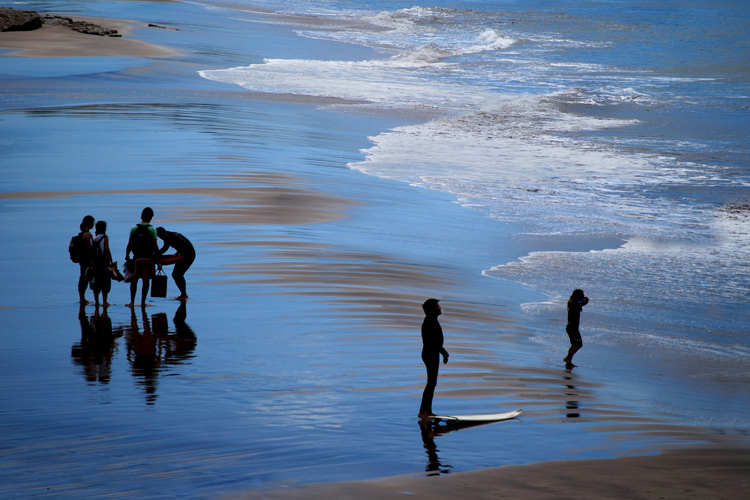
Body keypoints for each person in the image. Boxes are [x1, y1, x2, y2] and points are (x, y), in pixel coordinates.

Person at [418, 298, 449, 420]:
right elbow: (432, 342)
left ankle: (428, 411)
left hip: (432, 353)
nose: (439, 308)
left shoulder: (432, 320)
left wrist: (442, 352)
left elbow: (435, 342)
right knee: (431, 383)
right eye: (437, 306)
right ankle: (422, 412)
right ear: (432, 310)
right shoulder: (430, 321)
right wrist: (443, 352)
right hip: (430, 354)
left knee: (432, 382)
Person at [125, 207, 160, 308]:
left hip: (137, 258)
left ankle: (132, 302)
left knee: (134, 279)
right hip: (148, 258)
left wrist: (127, 255)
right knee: (145, 280)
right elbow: (155, 246)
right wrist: (158, 261)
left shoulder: (134, 228)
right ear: (151, 217)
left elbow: (129, 244)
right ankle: (142, 303)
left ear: (141, 216)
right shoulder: (152, 229)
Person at [156, 227, 195, 301]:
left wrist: (180, 255)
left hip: (189, 256)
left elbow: (186, 245)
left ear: (163, 234)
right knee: (176, 275)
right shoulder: (167, 236)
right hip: (184, 254)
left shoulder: (174, 236)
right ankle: (183, 294)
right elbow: (165, 248)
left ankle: (184, 295)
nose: (161, 238)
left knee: (177, 274)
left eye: (161, 237)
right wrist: (156, 254)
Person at [563, 289, 589, 370]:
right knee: (578, 344)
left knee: (574, 345)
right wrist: (586, 299)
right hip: (572, 328)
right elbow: (585, 301)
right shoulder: (575, 303)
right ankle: (567, 358)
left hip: (571, 327)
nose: (584, 295)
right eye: (582, 294)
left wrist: (584, 299)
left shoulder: (573, 302)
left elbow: (583, 302)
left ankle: (569, 361)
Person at [90, 220, 114, 307]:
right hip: (104, 262)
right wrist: (111, 261)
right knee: (105, 282)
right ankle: (105, 302)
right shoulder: (105, 238)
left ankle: (96, 302)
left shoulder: (92, 237)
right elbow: (107, 250)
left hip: (95, 262)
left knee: (96, 282)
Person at [77, 215, 95, 305]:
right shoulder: (87, 234)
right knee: (85, 279)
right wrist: (91, 259)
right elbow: (89, 248)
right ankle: (82, 299)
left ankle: (82, 298)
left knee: (83, 278)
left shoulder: (81, 234)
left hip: (82, 260)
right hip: (86, 260)